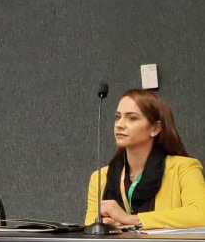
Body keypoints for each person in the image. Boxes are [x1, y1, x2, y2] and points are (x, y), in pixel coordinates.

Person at [85, 89, 205, 229]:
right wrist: (106, 225)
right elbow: (89, 227)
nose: (119, 124)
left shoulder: (184, 168)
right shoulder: (100, 178)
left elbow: (201, 214)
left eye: (132, 118)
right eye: (118, 117)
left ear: (155, 128)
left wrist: (130, 219)